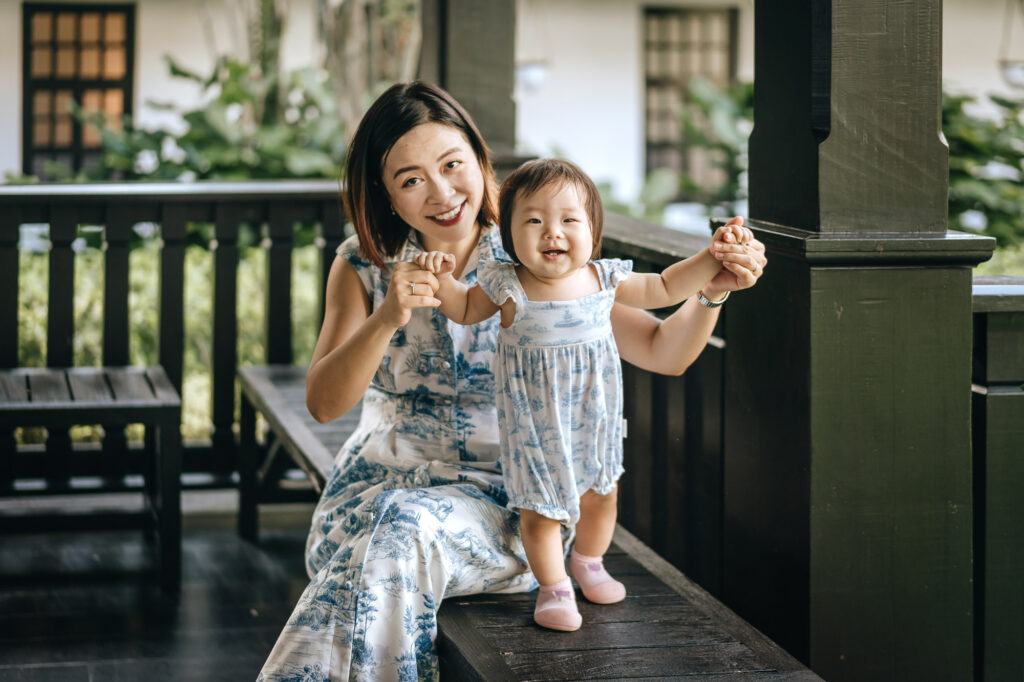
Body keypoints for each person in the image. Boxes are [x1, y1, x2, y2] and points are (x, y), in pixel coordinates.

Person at [258, 81, 766, 682]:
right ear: (385, 194)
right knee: (392, 531)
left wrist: (711, 291)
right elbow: (324, 404)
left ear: (481, 160)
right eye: (411, 179)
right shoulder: (362, 263)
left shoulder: (534, 249)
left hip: (512, 503)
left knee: (401, 533)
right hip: (376, 489)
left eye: (453, 165)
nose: (442, 192)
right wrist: (387, 317)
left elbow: (663, 350)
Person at [413, 158, 750, 632]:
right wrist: (441, 278)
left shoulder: (603, 279)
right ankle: (553, 588)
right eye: (534, 221)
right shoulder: (506, 283)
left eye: (569, 219)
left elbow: (666, 286)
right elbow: (465, 309)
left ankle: (589, 562)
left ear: (593, 230)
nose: (553, 232)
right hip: (533, 426)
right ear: (509, 236)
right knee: (539, 511)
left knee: (602, 495)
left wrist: (712, 257)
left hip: (594, 417)